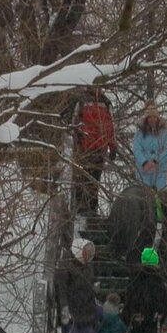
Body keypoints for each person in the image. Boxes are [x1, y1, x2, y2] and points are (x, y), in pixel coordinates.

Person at [68, 86, 117, 227]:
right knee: (82, 178)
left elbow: (110, 126)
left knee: (95, 180)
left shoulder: (105, 102)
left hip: (99, 148)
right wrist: (77, 141)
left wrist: (112, 146)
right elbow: (74, 122)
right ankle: (80, 209)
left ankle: (92, 209)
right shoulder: (81, 100)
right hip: (84, 147)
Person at [55, 237, 98, 333]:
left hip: (87, 312)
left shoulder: (89, 267)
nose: (88, 256)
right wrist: (64, 308)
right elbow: (61, 289)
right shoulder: (66, 266)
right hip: (72, 313)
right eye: (86, 252)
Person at [124, 248, 167, 333]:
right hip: (152, 320)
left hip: (140, 319)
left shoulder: (136, 278)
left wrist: (130, 316)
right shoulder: (158, 280)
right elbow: (163, 300)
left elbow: (130, 299)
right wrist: (161, 314)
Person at [133, 103, 167, 192]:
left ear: (157, 118)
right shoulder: (139, 134)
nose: (152, 120)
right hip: (143, 171)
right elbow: (136, 150)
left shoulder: (164, 133)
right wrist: (144, 162)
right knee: (144, 195)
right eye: (149, 117)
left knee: (159, 196)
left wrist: (156, 161)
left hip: (160, 171)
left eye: (154, 117)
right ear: (146, 119)